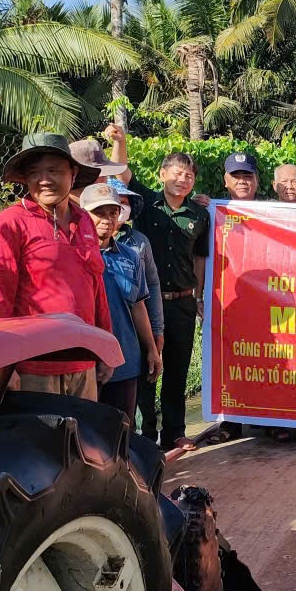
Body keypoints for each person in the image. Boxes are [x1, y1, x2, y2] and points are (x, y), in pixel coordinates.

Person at [0, 134, 110, 399]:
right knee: (39, 440)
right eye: (34, 172)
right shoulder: (8, 225)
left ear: (73, 173)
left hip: (83, 361)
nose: (44, 180)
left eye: (53, 170)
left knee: (84, 438)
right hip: (32, 368)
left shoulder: (85, 220)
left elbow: (96, 287)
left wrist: (106, 345)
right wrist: (4, 363)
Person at [106, 125, 210, 452]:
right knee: (146, 369)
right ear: (163, 174)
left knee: (177, 370)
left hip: (181, 304)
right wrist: (120, 142)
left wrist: (200, 296)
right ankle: (146, 437)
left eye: (189, 176)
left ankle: (175, 433)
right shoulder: (146, 204)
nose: (183, 180)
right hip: (146, 304)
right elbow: (120, 175)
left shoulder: (200, 214)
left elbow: (200, 259)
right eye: (177, 173)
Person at [80, 182, 162, 423]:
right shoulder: (74, 255)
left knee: (122, 430)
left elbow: (138, 305)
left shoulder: (130, 257)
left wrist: (151, 348)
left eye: (112, 212)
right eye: (99, 213)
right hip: (86, 362)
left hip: (125, 360)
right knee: (87, 432)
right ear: (83, 214)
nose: (107, 219)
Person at [109, 177, 164, 377]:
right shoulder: (86, 242)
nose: (117, 210)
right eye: (114, 203)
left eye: (123, 203)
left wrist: (156, 331)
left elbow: (151, 287)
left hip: (134, 329)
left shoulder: (139, 243)